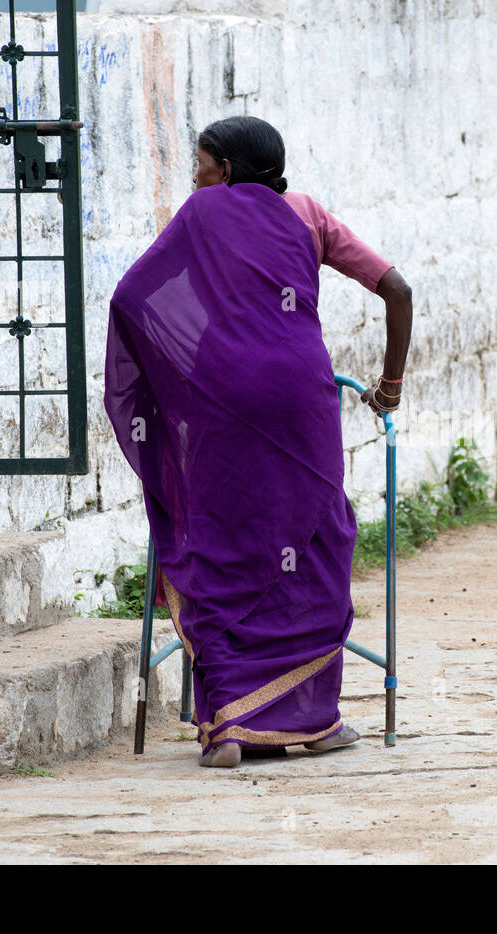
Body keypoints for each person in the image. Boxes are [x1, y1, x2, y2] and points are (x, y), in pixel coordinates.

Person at [104, 116, 412, 769]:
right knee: (316, 537)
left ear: (228, 169)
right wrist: (389, 384)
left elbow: (134, 295)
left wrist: (178, 374)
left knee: (219, 540)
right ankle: (315, 719)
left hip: (222, 401)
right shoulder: (307, 214)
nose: (196, 175)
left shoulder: (202, 214)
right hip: (302, 397)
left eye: (202, 164)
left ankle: (228, 727)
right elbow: (397, 288)